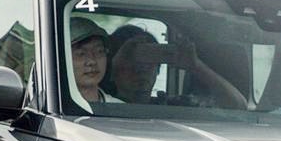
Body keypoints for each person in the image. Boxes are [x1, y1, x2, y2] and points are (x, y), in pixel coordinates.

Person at [102, 24, 247, 109]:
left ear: (158, 67)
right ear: (113, 64)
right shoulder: (97, 105)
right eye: (131, 59)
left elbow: (237, 105)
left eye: (148, 58)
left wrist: (195, 66)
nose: (141, 69)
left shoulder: (173, 106)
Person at [68, 15, 116, 109]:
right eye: (81, 53)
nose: (92, 61)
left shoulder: (121, 109)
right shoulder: (53, 110)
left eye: (99, 51)